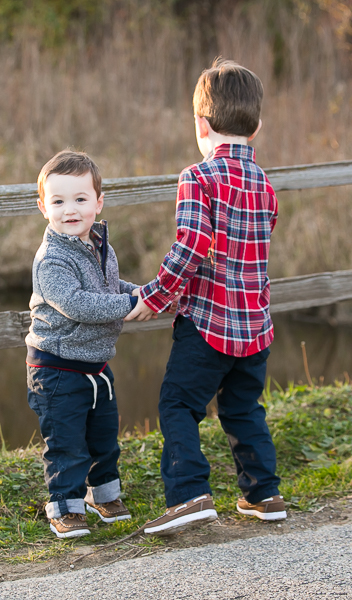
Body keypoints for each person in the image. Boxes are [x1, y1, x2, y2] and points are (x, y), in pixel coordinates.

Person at [125, 57, 285, 535]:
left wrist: (155, 296)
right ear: (256, 126)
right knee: (242, 409)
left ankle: (190, 493)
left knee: (178, 404)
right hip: (255, 327)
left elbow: (193, 244)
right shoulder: (265, 186)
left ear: (200, 123)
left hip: (208, 325)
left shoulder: (198, 177)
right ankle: (264, 494)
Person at [25, 149, 140, 539]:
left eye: (79, 199)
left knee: (104, 438)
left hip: (95, 366)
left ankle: (103, 495)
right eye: (58, 201)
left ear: (98, 201)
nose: (69, 210)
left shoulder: (101, 246)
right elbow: (77, 304)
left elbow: (110, 289)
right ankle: (65, 506)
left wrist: (144, 294)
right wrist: (130, 305)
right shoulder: (51, 259)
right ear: (43, 206)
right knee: (68, 444)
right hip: (56, 368)